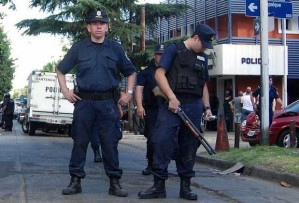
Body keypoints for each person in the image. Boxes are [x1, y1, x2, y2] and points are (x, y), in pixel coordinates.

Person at [56, 9, 136, 197]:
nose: (98, 26)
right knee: (80, 141)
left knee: (110, 143)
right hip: (84, 103)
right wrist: (65, 91)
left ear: (107, 27)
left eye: (102, 24)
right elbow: (61, 70)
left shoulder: (115, 48)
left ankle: (114, 183)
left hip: (108, 103)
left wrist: (130, 93)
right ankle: (75, 181)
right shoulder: (79, 47)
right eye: (94, 23)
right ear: (89, 27)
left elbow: (131, 72)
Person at [138, 24, 215, 200]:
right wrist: (171, 97)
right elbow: (159, 74)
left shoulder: (202, 58)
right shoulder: (174, 50)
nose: (204, 47)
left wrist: (207, 107)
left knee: (189, 146)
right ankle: (158, 186)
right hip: (171, 105)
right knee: (161, 142)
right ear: (195, 38)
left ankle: (185, 187)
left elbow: (203, 85)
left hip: (193, 105)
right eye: (203, 43)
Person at [135, 44, 164, 176]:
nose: (161, 57)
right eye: (159, 54)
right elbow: (139, 89)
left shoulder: (170, 70)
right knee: (152, 138)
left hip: (167, 109)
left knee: (165, 138)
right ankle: (150, 164)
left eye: (163, 54)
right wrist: (139, 106)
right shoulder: (146, 72)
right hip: (151, 109)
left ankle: (162, 165)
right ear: (154, 56)